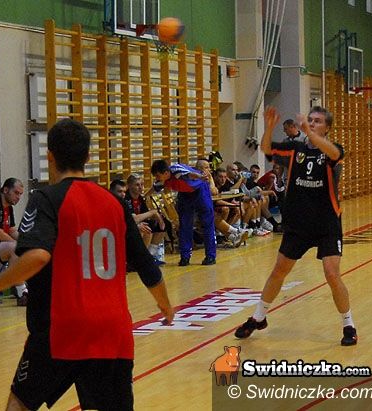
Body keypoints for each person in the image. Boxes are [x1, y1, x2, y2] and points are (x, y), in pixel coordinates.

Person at [0, 118, 174, 410]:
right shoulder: (114, 203)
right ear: (87, 157)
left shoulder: (45, 199)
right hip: (111, 330)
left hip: (61, 329)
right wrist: (165, 304)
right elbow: (145, 264)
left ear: (50, 156)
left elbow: (37, 256)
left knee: (19, 405)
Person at [235, 106, 357, 346]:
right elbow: (266, 149)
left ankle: (348, 325)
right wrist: (269, 126)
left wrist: (308, 133)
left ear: (327, 128)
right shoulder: (295, 149)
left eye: (318, 121)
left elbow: (333, 153)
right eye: (310, 120)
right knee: (279, 271)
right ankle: (258, 317)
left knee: (332, 274)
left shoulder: (334, 151)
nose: (312, 123)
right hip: (298, 224)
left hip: (326, 223)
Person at [150, 159, 216, 266]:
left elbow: (191, 175)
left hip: (200, 190)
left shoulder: (176, 169)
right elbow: (153, 188)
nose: (156, 178)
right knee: (184, 226)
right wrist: (144, 196)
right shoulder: (162, 180)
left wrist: (201, 177)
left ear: (166, 173)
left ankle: (210, 256)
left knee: (207, 223)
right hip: (185, 195)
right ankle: (185, 257)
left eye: (157, 176)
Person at [124, 173, 166, 265]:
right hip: (126, 227)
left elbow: (145, 215)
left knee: (162, 225)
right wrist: (152, 212)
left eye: (142, 184)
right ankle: (141, 259)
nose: (140, 187)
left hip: (137, 224)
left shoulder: (140, 198)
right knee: (146, 229)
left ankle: (150, 256)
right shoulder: (126, 198)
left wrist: (158, 217)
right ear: (129, 186)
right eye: (137, 185)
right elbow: (134, 219)